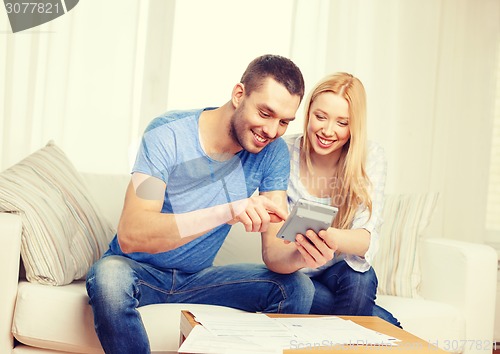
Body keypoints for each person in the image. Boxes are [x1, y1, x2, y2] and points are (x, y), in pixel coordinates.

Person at [85, 54, 316, 354]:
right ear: (238, 94)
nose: (271, 131)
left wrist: (304, 253)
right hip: (137, 271)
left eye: (284, 122)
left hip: (198, 280)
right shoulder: (167, 134)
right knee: (109, 278)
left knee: (297, 287)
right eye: (265, 113)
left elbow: (274, 254)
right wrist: (227, 210)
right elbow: (132, 234)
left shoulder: (273, 154)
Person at [282, 72, 401, 326]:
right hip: (293, 272)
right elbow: (274, 242)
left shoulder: (370, 157)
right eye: (320, 117)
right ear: (308, 113)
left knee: (361, 276)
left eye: (342, 123)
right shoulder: (283, 152)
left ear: (354, 125)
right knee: (384, 324)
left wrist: (328, 238)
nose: (327, 131)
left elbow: (365, 240)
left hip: (337, 273)